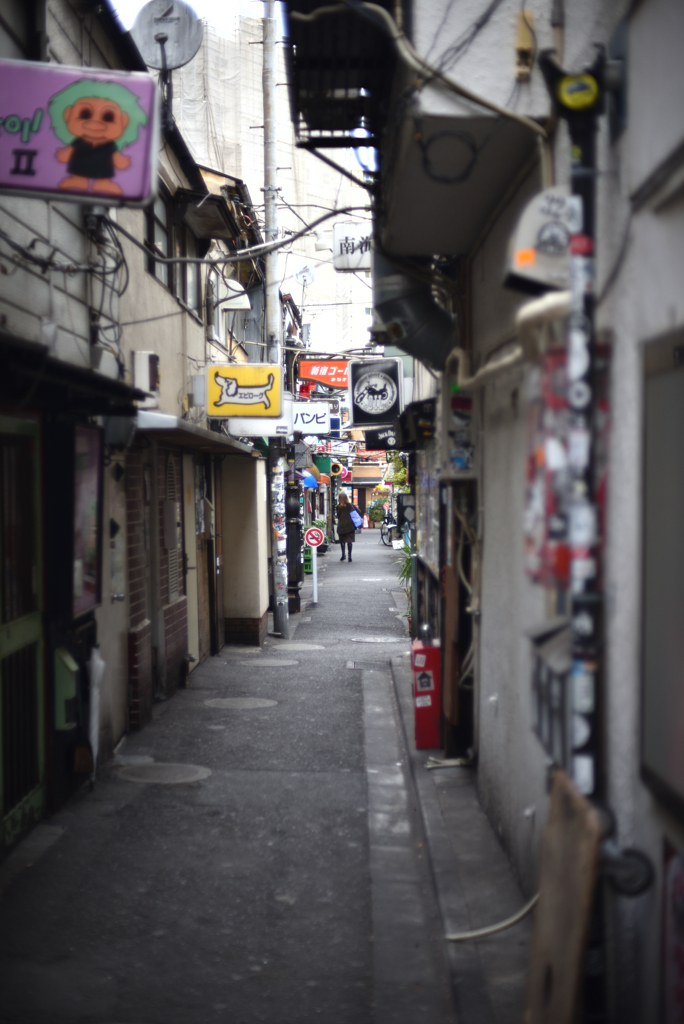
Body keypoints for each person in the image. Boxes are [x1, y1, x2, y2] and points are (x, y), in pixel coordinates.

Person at [337, 491, 361, 562]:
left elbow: (338, 516)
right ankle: (349, 557)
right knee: (349, 542)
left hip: (341, 526)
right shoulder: (350, 505)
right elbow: (359, 511)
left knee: (342, 541)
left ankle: (343, 555)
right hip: (350, 526)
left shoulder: (338, 507)